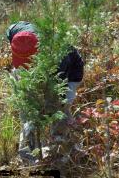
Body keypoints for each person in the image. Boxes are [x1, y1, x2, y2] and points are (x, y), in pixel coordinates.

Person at [6, 21, 84, 160]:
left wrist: (59, 101)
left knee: (60, 109)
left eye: (29, 63)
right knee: (27, 110)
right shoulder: (14, 31)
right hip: (35, 69)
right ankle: (30, 154)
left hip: (68, 73)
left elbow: (59, 91)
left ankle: (63, 148)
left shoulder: (60, 58)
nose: (26, 66)